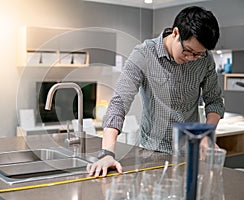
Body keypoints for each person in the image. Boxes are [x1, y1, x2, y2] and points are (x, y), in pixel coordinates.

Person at [87, 6, 224, 177]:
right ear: (176, 33)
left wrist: (205, 134)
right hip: (152, 154)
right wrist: (107, 153)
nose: (191, 58)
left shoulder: (205, 60)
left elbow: (214, 101)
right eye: (188, 51)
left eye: (198, 54)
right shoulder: (144, 54)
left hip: (191, 153)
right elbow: (119, 103)